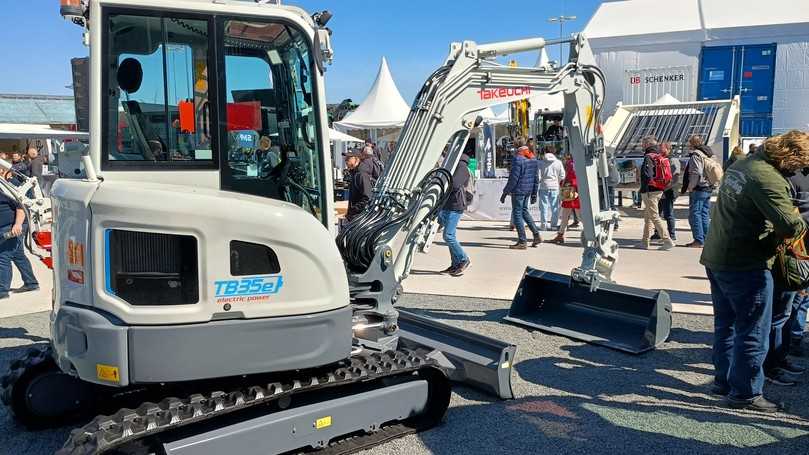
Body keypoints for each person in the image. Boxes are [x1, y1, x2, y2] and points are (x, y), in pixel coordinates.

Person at [701, 130, 809, 412]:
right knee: (753, 329)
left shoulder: (742, 164)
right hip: (745, 263)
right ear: (791, 157)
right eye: (800, 164)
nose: (800, 170)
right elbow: (790, 226)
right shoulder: (768, 177)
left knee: (725, 325)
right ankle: (746, 393)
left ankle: (723, 381)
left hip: (717, 257)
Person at [500, 136, 541, 249]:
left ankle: (522, 241)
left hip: (518, 190)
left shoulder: (518, 158)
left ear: (516, 146)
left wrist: (505, 192)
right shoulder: (532, 157)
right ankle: (536, 235)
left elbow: (514, 178)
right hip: (528, 189)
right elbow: (536, 178)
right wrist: (534, 193)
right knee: (524, 212)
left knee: (517, 214)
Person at [0, 189, 39, 299]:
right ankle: (31, 283)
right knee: (18, 255)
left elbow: (21, 206)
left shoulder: (7, 187)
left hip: (12, 226)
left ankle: (2, 291)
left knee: (3, 256)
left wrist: (17, 224)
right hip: (7, 226)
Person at [438, 150, 472, 276]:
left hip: (455, 206)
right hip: (448, 205)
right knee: (449, 237)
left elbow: (456, 184)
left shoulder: (462, 167)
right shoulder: (454, 165)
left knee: (448, 236)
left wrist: (443, 183)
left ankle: (464, 259)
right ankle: (455, 264)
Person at [639, 136, 675, 250]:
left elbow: (647, 175)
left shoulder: (648, 157)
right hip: (659, 189)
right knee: (648, 216)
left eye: (643, 143)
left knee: (654, 216)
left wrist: (644, 187)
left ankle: (667, 240)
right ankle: (645, 241)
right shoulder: (659, 156)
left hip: (650, 191)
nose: (642, 145)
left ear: (648, 144)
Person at [682, 135, 715, 248]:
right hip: (708, 187)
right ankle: (707, 239)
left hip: (699, 188)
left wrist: (691, 186)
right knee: (704, 214)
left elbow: (697, 172)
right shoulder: (708, 153)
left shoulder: (696, 155)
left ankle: (699, 240)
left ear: (692, 143)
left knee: (695, 214)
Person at [550, 154, 581, 244]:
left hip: (570, 191)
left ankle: (560, 235)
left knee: (567, 215)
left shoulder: (570, 164)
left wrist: (563, 184)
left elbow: (568, 178)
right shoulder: (576, 163)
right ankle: (560, 234)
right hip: (575, 191)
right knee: (575, 215)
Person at [652, 143, 680, 241]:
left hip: (669, 191)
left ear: (668, 149)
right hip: (660, 190)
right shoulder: (660, 159)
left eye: (661, 148)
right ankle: (658, 233)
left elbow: (675, 177)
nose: (659, 150)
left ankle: (672, 235)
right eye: (659, 148)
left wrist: (665, 189)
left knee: (668, 213)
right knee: (657, 213)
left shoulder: (672, 160)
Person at [537, 145, 565, 231]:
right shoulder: (558, 162)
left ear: (545, 151)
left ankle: (543, 225)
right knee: (555, 207)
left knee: (543, 207)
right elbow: (563, 176)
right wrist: (557, 180)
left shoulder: (540, 162)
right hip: (555, 186)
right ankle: (553, 225)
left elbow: (538, 177)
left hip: (544, 186)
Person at [344, 150, 378, 221]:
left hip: (358, 218)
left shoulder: (361, 175)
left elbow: (368, 198)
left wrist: (353, 210)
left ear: (357, 159)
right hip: (356, 217)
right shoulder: (355, 173)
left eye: (348, 158)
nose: (346, 160)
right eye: (345, 158)